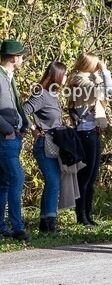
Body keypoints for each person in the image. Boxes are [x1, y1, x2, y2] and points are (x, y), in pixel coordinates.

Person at [68, 53, 112, 226]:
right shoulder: (78, 80)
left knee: (91, 177)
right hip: (84, 132)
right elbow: (106, 92)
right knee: (85, 177)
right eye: (96, 64)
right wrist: (105, 73)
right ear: (88, 64)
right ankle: (81, 216)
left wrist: (100, 75)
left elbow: (107, 95)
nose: (98, 66)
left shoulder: (88, 79)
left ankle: (88, 214)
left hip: (92, 131)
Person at [23, 61, 67, 234]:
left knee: (54, 182)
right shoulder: (41, 95)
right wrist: (33, 129)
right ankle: (49, 225)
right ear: (57, 75)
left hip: (54, 144)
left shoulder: (52, 95)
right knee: (53, 181)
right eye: (65, 73)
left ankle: (46, 222)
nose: (67, 77)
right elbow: (23, 110)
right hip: (44, 144)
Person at [0, 39, 30, 241]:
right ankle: (17, 228)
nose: (22, 60)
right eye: (21, 57)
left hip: (14, 137)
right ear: (14, 58)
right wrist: (8, 130)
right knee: (17, 178)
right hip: (5, 138)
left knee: (3, 183)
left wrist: (25, 125)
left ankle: (2, 227)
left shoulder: (8, 77)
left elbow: (16, 106)